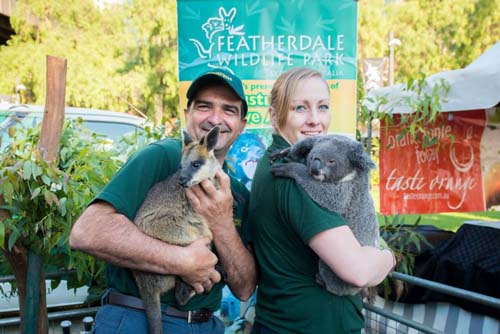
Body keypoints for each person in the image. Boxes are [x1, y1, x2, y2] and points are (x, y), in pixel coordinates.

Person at [69, 69, 257, 334]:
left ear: (242, 125)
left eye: (228, 110)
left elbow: (245, 287)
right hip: (136, 317)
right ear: (187, 114)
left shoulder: (236, 190)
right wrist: (183, 261)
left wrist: (221, 223)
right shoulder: (164, 156)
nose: (216, 118)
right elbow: (87, 232)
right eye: (204, 106)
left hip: (205, 324)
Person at [248, 67, 395, 334]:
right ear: (274, 115)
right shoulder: (297, 177)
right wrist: (387, 258)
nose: (315, 120)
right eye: (300, 108)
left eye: (323, 106)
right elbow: (358, 271)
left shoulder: (276, 160)